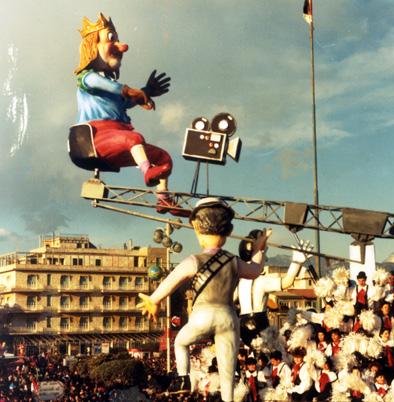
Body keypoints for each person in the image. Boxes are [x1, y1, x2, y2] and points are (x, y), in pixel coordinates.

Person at [137, 197, 270, 401]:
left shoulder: (193, 260)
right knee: (227, 376)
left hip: (202, 316)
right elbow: (255, 270)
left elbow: (170, 282)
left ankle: (183, 380)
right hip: (228, 318)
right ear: (228, 231)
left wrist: (153, 300)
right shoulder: (234, 261)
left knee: (181, 343)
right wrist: (260, 249)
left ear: (196, 228)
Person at [74, 13, 185, 216]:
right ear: (93, 46)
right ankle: (147, 171)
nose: (120, 46)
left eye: (117, 39)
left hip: (116, 140)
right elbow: (106, 86)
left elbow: (125, 102)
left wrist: (146, 91)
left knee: (164, 158)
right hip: (93, 139)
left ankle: (163, 198)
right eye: (111, 39)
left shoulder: (112, 87)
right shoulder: (86, 78)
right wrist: (131, 90)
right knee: (134, 139)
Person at [236, 235, 312, 346]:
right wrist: (296, 263)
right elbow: (287, 282)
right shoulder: (261, 281)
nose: (266, 259)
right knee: (267, 352)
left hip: (242, 323)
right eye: (264, 254)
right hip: (260, 321)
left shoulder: (238, 281)